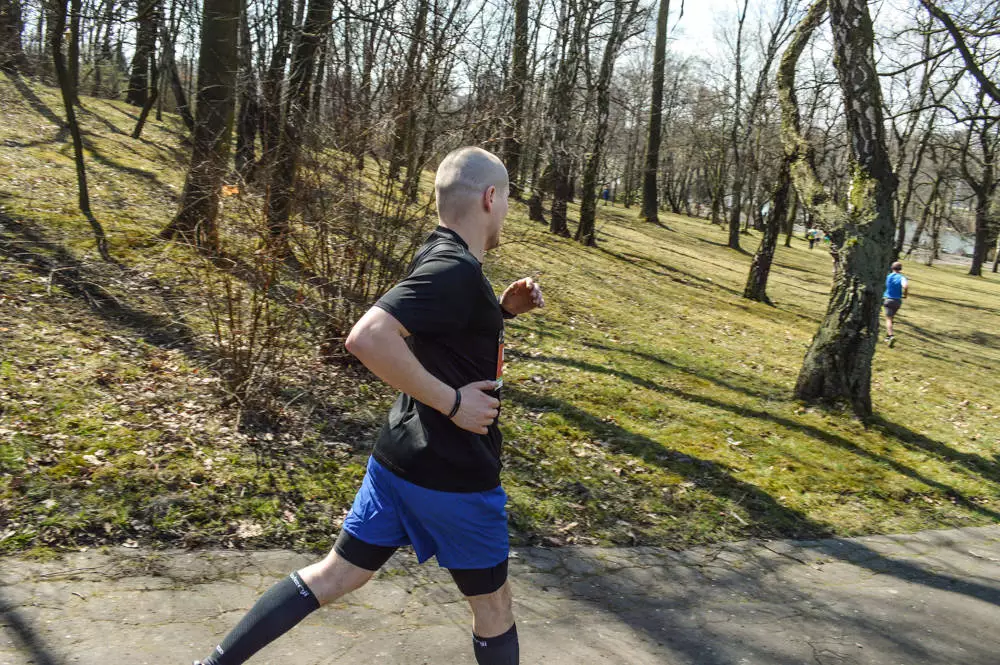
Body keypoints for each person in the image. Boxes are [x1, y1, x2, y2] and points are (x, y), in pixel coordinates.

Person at [190, 147, 544, 665]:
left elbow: (436, 334)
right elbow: (368, 337)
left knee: (338, 575)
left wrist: (498, 313)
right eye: (508, 199)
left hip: (398, 462)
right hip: (453, 474)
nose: (507, 210)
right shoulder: (454, 270)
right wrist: (453, 404)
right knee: (494, 605)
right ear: (492, 197)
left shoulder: (441, 254)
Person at [882, 261, 909, 347]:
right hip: (897, 301)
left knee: (888, 319)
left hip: (887, 299)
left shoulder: (888, 276)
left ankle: (891, 336)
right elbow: (905, 286)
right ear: (900, 269)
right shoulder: (902, 277)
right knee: (891, 318)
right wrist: (905, 295)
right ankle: (887, 338)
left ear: (892, 268)